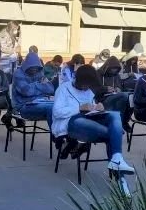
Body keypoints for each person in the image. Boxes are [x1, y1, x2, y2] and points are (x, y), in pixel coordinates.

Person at [51, 64, 137, 195]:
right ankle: (120, 178)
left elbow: (91, 107)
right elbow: (57, 112)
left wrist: (98, 107)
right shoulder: (63, 89)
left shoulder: (89, 92)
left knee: (114, 115)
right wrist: (79, 108)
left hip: (90, 121)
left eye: (89, 85)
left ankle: (117, 159)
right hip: (73, 123)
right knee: (114, 134)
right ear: (79, 80)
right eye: (85, 85)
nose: (86, 88)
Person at [10, 50, 55, 126]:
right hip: (23, 106)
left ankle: (61, 135)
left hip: (40, 102)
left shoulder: (39, 73)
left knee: (58, 107)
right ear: (27, 66)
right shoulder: (18, 74)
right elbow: (26, 91)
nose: (34, 70)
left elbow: (50, 89)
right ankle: (56, 136)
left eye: (36, 68)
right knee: (51, 109)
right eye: (32, 68)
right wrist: (39, 85)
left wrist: (33, 87)